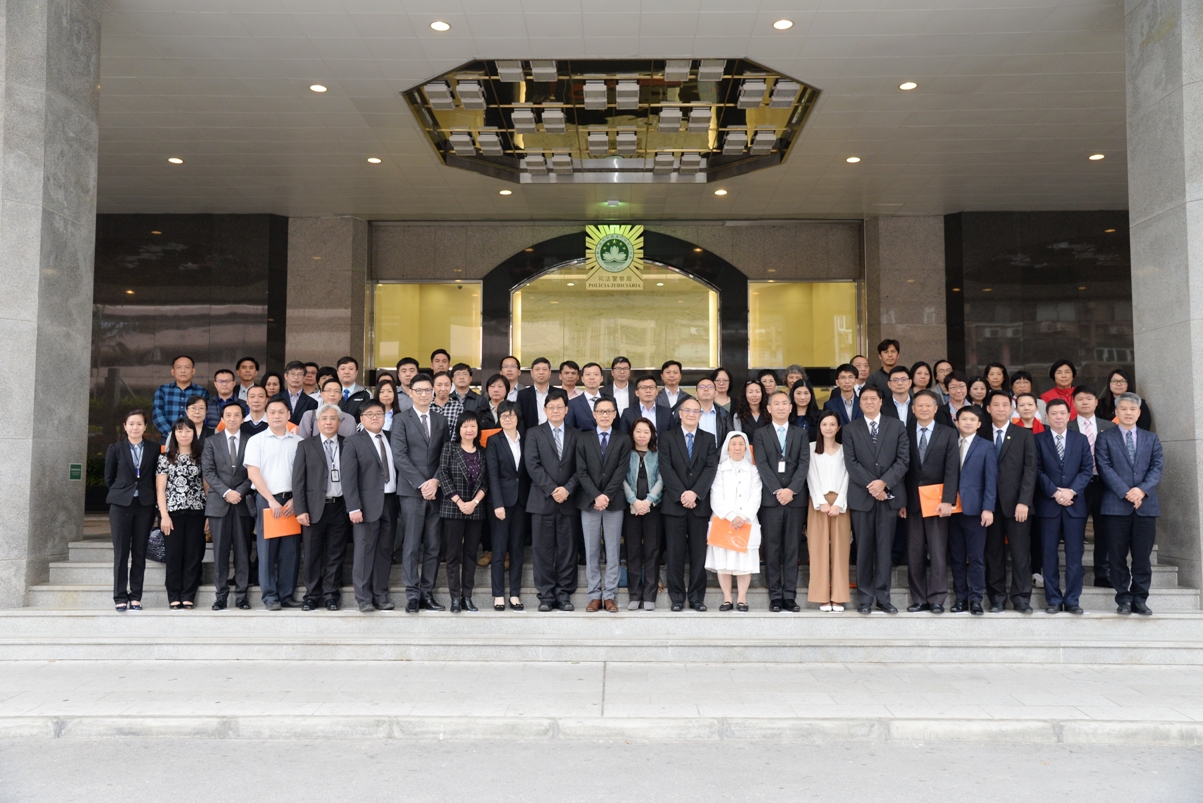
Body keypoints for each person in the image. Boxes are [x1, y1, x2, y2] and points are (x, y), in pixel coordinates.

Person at [1096, 392, 1164, 616]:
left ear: (1139, 412)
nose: (1128, 413)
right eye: (1123, 409)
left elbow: (1156, 468)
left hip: (1145, 506)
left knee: (1142, 557)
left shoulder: (1151, 438)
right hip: (1116, 505)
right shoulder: (1105, 438)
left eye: (1132, 409)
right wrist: (1126, 492)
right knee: (1116, 556)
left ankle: (1140, 598)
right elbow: (1104, 467)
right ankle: (1123, 597)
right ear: (1116, 412)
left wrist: (1141, 490)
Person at [843, 385, 908, 614]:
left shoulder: (897, 426)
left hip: (889, 497)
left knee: (884, 549)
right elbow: (851, 463)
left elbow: (903, 460)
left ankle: (883, 598)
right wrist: (874, 486)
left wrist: (884, 483)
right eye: (865, 399)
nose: (869, 402)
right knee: (863, 549)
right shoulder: (850, 429)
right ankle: (864, 599)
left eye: (873, 398)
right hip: (862, 498)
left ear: (881, 401)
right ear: (860, 403)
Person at [392, 374, 448, 613]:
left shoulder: (441, 419)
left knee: (434, 545)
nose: (424, 394)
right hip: (411, 491)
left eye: (428, 390)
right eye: (419, 390)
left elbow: (445, 453)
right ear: (410, 393)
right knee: (412, 545)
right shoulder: (400, 420)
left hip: (436, 491)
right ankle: (412, 594)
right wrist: (422, 484)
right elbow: (399, 455)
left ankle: (427, 593)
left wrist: (435, 480)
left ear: (433, 393)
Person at [899, 390, 959, 614]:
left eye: (928, 405)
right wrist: (901, 501)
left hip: (937, 502)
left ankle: (937, 598)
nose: (924, 409)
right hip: (912, 502)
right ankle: (919, 598)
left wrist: (948, 500)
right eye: (919, 405)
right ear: (913, 409)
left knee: (937, 551)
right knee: (914, 552)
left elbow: (952, 469)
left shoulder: (948, 433)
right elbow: (900, 469)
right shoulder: (904, 432)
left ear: (935, 409)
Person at [1034, 398, 1093, 614]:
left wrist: (1071, 491)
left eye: (1062, 413)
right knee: (1049, 555)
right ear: (1046, 417)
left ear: (1069, 416)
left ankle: (1072, 600)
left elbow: (1087, 469)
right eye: (1054, 413)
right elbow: (1036, 470)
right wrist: (1055, 492)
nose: (1058, 417)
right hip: (1048, 504)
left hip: (1074, 505)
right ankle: (1053, 600)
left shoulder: (1080, 439)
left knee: (1074, 556)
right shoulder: (1038, 440)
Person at [980, 390, 1037, 613]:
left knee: (1020, 553)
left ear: (1011, 409)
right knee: (993, 553)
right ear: (988, 408)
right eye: (996, 405)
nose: (1001, 409)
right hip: (988, 505)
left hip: (1017, 505)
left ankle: (1021, 598)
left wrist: (1024, 501)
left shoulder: (1023, 435)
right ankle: (997, 598)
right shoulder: (981, 433)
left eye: (1005, 405)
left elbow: (1030, 470)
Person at [244, 398, 303, 611]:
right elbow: (253, 473)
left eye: (281, 412)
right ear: (266, 415)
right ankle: (269, 597)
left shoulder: (299, 441)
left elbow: (303, 474)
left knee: (290, 551)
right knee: (266, 550)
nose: (277, 415)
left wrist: (296, 499)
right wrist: (270, 499)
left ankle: (286, 595)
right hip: (267, 500)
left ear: (288, 415)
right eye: (272, 412)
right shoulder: (256, 441)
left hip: (292, 502)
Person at [660, 397, 719, 612]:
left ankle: (696, 598)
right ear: (680, 414)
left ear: (701, 415)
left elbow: (710, 468)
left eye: (696, 411)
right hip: (674, 504)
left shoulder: (708, 438)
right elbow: (665, 467)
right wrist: (682, 494)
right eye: (687, 410)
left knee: (698, 555)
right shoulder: (667, 437)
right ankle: (677, 598)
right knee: (674, 554)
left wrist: (695, 493)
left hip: (699, 505)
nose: (691, 414)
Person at [754, 391, 811, 612]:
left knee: (792, 549)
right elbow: (762, 464)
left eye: (784, 403)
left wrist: (791, 490)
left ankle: (790, 596)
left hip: (795, 500)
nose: (780, 407)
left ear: (790, 407)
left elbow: (803, 464)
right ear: (768, 409)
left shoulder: (801, 434)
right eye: (776, 403)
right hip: (771, 500)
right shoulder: (760, 434)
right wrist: (779, 490)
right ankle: (775, 596)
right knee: (772, 548)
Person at [339, 400, 398, 613]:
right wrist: (353, 507)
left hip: (390, 502)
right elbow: (348, 477)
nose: (375, 417)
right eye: (370, 414)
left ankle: (381, 595)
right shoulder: (353, 441)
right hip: (365, 505)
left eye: (379, 414)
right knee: (364, 552)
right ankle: (364, 598)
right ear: (361, 419)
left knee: (385, 551)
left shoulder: (392, 438)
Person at [292, 403, 352, 612]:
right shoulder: (306, 446)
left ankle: (331, 596)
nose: (328, 422)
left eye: (332, 418)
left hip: (340, 506)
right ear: (317, 422)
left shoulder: (348, 444)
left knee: (336, 554)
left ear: (339, 422)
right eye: (324, 418)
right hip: (314, 508)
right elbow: (298, 480)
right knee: (312, 554)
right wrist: (300, 509)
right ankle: (311, 595)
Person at [525, 390, 580, 612]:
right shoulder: (534, 433)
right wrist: (552, 489)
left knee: (568, 550)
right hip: (542, 500)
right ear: (545, 410)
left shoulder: (577, 434)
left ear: (566, 410)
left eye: (559, 407)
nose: (555, 411)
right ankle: (546, 595)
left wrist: (567, 489)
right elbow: (532, 465)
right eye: (551, 407)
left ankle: (564, 594)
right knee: (542, 550)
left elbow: (581, 467)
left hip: (569, 500)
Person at [575, 398, 631, 613]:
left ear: (615, 414)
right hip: (589, 502)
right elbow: (581, 471)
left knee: (613, 550)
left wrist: (605, 495)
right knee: (591, 551)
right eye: (601, 411)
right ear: (594, 414)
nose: (605, 415)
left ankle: (610, 596)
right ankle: (594, 596)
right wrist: (596, 496)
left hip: (613, 501)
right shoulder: (583, 438)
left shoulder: (623, 439)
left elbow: (621, 471)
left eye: (609, 412)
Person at [104, 409, 159, 612]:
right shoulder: (115, 448)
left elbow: (155, 476)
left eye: (139, 424)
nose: (135, 427)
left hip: (145, 505)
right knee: (121, 552)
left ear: (145, 427)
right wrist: (123, 493)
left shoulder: (154, 449)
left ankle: (136, 596)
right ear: (125, 426)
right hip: (121, 506)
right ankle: (120, 596)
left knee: (139, 551)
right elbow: (109, 477)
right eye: (131, 424)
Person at [202, 401, 254, 611]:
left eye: (237, 415)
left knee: (243, 552)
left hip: (242, 503)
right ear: (222, 419)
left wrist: (239, 491)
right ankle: (221, 596)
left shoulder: (252, 441)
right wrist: (226, 492)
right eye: (228, 415)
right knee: (220, 553)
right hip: (218, 503)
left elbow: (254, 471)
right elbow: (208, 471)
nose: (232, 418)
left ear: (243, 418)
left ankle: (242, 596)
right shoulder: (211, 442)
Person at [945, 406, 997, 614]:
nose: (967, 422)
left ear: (979, 424)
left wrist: (988, 508)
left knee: (975, 557)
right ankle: (960, 598)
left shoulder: (987, 447)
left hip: (976, 510)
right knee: (957, 557)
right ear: (956, 422)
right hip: (951, 510)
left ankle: (976, 599)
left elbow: (991, 480)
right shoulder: (950, 443)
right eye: (964, 419)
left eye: (972, 419)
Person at [439, 410, 489, 613]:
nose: (469, 429)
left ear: (478, 429)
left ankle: (467, 596)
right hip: (453, 508)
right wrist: (460, 502)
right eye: (465, 426)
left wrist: (474, 503)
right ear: (459, 428)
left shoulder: (483, 452)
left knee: (470, 554)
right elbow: (443, 475)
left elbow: (486, 482)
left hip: (475, 510)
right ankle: (454, 597)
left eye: (473, 426)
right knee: (453, 555)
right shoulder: (449, 448)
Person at [706, 431, 762, 612]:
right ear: (727, 448)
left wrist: (743, 517)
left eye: (741, 444)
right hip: (724, 520)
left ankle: (742, 599)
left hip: (746, 522)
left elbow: (756, 496)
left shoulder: (754, 470)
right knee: (723, 561)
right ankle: (727, 598)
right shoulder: (719, 469)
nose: (737, 448)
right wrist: (731, 516)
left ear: (746, 447)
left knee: (744, 563)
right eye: (733, 444)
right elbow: (715, 496)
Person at [156, 417, 207, 610]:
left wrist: (209, 515)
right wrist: (164, 515)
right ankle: (174, 595)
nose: (184, 435)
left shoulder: (201, 456)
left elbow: (206, 488)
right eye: (180, 431)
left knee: (194, 555)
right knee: (174, 555)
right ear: (174, 434)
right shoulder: (165, 457)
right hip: (173, 514)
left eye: (188, 431)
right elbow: (160, 489)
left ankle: (188, 595)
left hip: (197, 512)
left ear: (194, 433)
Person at [1069, 386, 1116, 588]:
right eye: (1080, 399)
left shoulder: (1110, 426)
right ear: (1074, 403)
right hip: (1077, 486)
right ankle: (1075, 572)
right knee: (1075, 530)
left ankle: (1102, 573)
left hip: (1104, 484)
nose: (1085, 402)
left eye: (1089, 398)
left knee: (1103, 530)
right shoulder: (1068, 426)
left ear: (1096, 402)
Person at [807, 411, 852, 612]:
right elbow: (810, 476)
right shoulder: (811, 448)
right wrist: (821, 501)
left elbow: (848, 477)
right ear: (819, 427)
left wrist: (839, 503)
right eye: (824, 424)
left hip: (840, 503)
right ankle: (822, 596)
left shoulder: (845, 449)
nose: (828, 428)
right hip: (819, 503)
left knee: (841, 550)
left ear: (838, 427)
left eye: (832, 424)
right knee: (818, 549)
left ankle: (838, 597)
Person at [487, 401, 528, 611]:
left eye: (511, 415)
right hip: (501, 503)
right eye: (503, 416)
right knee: (499, 549)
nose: (508, 419)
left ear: (517, 418)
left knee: (517, 550)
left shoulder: (526, 439)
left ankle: (514, 594)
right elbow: (492, 474)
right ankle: (498, 595)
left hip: (521, 501)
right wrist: (498, 503)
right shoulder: (494, 441)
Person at [622, 417, 663, 611]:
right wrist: (634, 501)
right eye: (638, 431)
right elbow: (621, 478)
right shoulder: (626, 453)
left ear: (652, 434)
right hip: (631, 508)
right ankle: (635, 594)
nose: (642, 435)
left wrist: (648, 501)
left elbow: (662, 479)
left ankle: (649, 595)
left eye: (646, 432)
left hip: (652, 507)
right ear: (632, 433)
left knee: (652, 551)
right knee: (633, 551)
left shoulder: (658, 454)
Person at [152, 354, 209, 435]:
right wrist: (171, 434)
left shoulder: (202, 392)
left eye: (187, 367)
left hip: (194, 438)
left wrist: (191, 434)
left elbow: (205, 416)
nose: (183, 371)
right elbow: (157, 415)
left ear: (193, 371)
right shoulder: (162, 390)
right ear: (173, 371)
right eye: (179, 367)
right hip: (167, 437)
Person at [566, 362, 608, 431]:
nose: (592, 377)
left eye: (596, 374)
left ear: (601, 378)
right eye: (588, 374)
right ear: (582, 379)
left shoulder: (610, 401)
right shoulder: (573, 404)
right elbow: (570, 430)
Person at [693, 375, 731, 448]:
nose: (706, 389)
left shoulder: (724, 414)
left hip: (717, 453)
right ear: (696, 394)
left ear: (716, 393)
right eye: (702, 387)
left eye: (710, 387)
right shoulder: (688, 414)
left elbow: (729, 438)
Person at [517, 357, 553, 428]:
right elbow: (520, 420)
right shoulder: (523, 395)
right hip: (531, 433)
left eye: (544, 369)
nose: (541, 372)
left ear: (550, 373)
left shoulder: (560, 393)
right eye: (537, 369)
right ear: (531, 373)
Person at [336, 356, 371, 420]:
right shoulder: (330, 393)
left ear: (356, 372)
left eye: (351, 369)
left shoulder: (365, 393)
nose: (346, 372)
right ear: (337, 372)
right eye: (343, 369)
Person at [789, 378, 821, 442]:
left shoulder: (820, 416)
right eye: (798, 393)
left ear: (811, 395)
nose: (802, 397)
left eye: (806, 393)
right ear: (793, 395)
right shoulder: (786, 416)